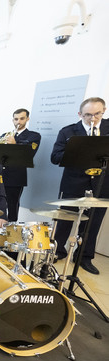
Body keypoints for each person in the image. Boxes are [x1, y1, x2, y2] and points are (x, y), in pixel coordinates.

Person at [50, 97, 109, 275]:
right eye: (88, 115)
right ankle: (58, 251)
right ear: (79, 114)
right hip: (73, 183)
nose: (93, 118)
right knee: (65, 219)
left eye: (97, 114)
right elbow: (55, 157)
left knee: (93, 223)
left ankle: (84, 257)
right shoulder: (68, 132)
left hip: (101, 184)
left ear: (104, 111)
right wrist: (75, 149)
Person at [0, 108, 41, 221]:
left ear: (27, 119)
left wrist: (14, 144)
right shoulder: (5, 135)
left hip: (16, 177)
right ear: (13, 120)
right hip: (1, 175)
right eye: (16, 119)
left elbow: (30, 154)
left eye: (22, 119)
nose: (18, 122)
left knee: (12, 205)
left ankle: (11, 229)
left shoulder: (33, 136)